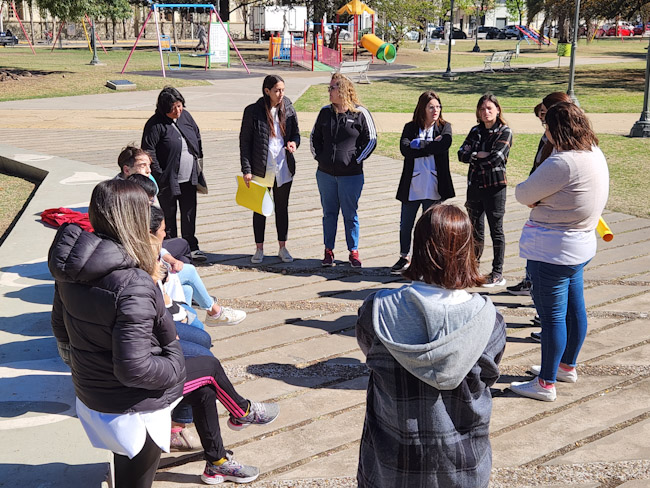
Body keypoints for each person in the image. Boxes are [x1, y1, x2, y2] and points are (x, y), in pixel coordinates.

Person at [356, 204, 506, 488]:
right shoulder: (491, 322)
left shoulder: (376, 311)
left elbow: (368, 348)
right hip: (464, 468)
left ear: (418, 247)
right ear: (469, 250)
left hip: (391, 466)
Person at [49, 179, 187, 488]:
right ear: (135, 219)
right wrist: (177, 363)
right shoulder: (132, 282)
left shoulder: (72, 267)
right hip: (133, 410)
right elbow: (135, 368)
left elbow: (60, 328)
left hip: (93, 393)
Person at [509, 102, 609, 402]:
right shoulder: (594, 152)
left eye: (547, 126)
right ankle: (566, 366)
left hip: (552, 249)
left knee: (552, 318)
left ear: (555, 129)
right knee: (575, 310)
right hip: (579, 245)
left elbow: (523, 193)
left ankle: (545, 383)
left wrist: (540, 198)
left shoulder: (563, 162)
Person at [507, 92, 573, 296]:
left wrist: (533, 192)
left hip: (557, 225)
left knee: (554, 291)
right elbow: (538, 167)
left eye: (545, 114)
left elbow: (553, 173)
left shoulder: (566, 149)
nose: (542, 119)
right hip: (540, 204)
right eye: (541, 115)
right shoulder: (547, 137)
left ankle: (536, 289)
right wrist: (532, 189)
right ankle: (530, 281)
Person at [310, 73, 377, 268]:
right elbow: (314, 137)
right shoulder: (325, 112)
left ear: (343, 91)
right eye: (329, 88)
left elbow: (371, 140)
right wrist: (320, 158)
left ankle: (353, 251)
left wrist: (355, 160)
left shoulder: (360, 113)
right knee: (329, 213)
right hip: (325, 174)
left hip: (351, 175)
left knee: (350, 214)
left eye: (332, 88)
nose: (329, 91)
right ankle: (328, 250)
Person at [391, 90, 455, 274]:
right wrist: (429, 146)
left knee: (432, 225)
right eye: (431, 107)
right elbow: (405, 149)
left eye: (438, 107)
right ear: (422, 108)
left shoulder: (444, 127)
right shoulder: (410, 127)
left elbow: (443, 145)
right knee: (406, 223)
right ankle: (404, 256)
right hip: (412, 183)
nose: (436, 110)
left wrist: (418, 144)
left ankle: (430, 259)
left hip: (434, 184)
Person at [150, 205, 247, 326]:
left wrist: (171, 260)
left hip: (164, 290)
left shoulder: (149, 242)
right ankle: (214, 312)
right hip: (155, 289)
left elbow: (160, 250)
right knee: (189, 271)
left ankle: (186, 323)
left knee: (187, 289)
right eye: (163, 230)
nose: (165, 234)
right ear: (150, 233)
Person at [142, 86, 208, 262]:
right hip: (167, 180)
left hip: (189, 176)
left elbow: (197, 136)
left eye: (179, 106)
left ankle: (191, 246)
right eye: (173, 108)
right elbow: (148, 150)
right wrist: (160, 174)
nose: (178, 111)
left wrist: (198, 160)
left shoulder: (186, 116)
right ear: (164, 108)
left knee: (189, 212)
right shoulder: (154, 124)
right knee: (168, 215)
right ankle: (172, 249)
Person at [239, 74, 300, 264]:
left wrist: (293, 143)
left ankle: (283, 247)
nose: (281, 94)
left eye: (283, 90)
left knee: (282, 208)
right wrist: (247, 169)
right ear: (267, 91)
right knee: (260, 209)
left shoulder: (288, 108)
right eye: (277, 90)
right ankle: (259, 249)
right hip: (261, 168)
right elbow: (245, 142)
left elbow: (296, 134)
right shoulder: (253, 111)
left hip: (283, 167)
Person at [458, 93, 513, 287]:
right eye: (482, 109)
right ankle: (473, 268)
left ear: (497, 110)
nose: (486, 112)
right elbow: (461, 154)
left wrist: (474, 156)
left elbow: (496, 159)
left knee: (496, 230)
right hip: (474, 186)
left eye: (489, 108)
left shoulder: (504, 131)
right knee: (474, 230)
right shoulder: (475, 131)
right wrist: (477, 154)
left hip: (495, 188)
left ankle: (497, 272)